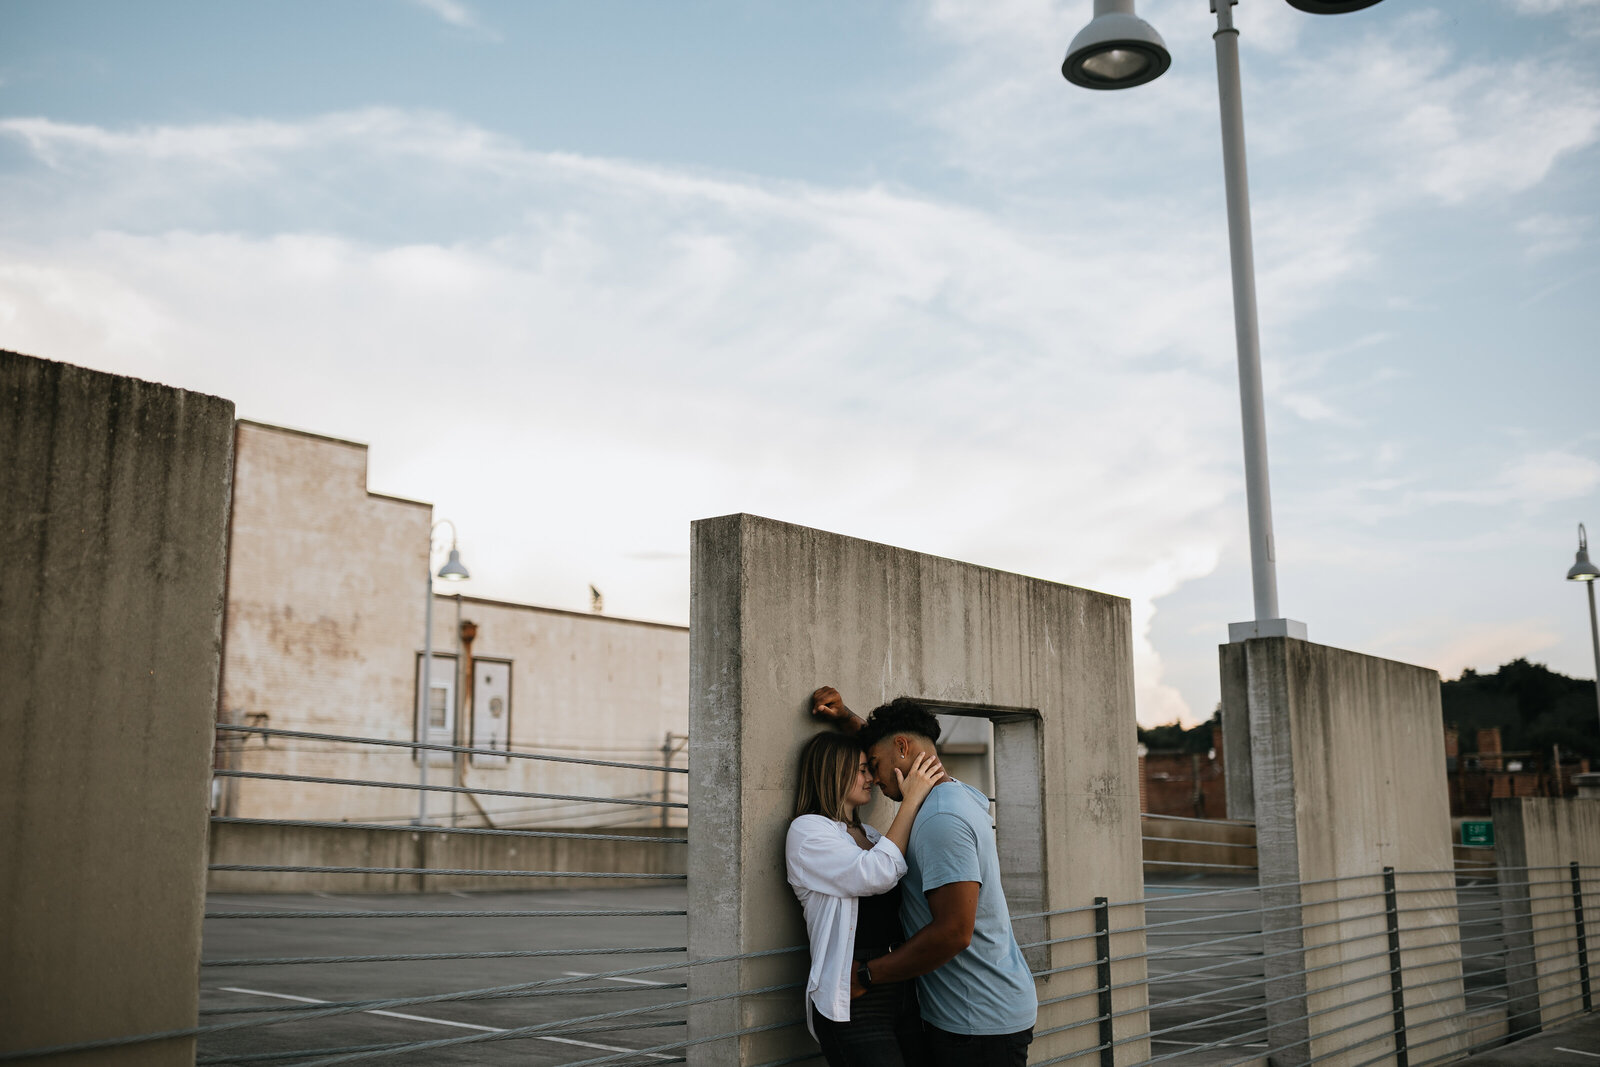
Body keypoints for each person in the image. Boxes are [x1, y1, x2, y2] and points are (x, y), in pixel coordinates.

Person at [811, 687, 1038, 1067]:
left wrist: (866, 975)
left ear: (902, 748)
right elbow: (892, 745)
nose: (874, 778)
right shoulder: (958, 794)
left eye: (874, 765)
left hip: (975, 1021)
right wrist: (848, 718)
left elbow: (954, 932)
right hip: (983, 1009)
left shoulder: (939, 819)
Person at [786, 729, 945, 1066]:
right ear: (833, 772)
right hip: (854, 992)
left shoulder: (870, 834)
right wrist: (912, 799)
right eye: (861, 769)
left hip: (899, 981)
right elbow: (875, 874)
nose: (871, 777)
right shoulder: (807, 832)